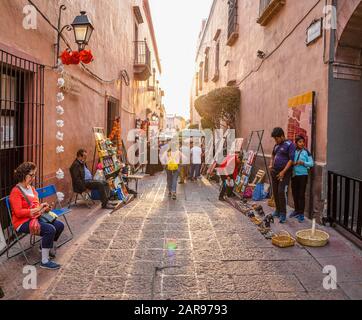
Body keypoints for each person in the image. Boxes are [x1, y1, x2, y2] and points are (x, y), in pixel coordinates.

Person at [9, 162, 64, 270]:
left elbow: (36, 205)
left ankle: (44, 246)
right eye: (31, 175)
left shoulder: (32, 189)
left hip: (35, 217)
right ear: (23, 174)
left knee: (59, 225)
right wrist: (37, 209)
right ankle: (44, 261)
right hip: (21, 222)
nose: (33, 178)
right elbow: (18, 212)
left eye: (34, 175)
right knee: (50, 230)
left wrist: (44, 208)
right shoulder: (15, 191)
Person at [269, 128, 296, 224]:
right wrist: (271, 164)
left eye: (277, 138)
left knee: (281, 192)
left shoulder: (290, 145)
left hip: (284, 173)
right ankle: (277, 210)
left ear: (282, 136)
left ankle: (283, 214)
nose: (275, 141)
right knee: (275, 192)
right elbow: (272, 155)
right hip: (275, 172)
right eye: (275, 139)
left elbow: (291, 160)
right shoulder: (277, 145)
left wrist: (283, 172)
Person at [290, 135, 314, 223]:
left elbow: (311, 163)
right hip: (294, 175)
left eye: (303, 142)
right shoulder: (294, 151)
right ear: (296, 143)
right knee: (294, 193)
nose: (302, 143)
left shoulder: (306, 152)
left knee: (301, 195)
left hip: (303, 176)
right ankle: (296, 210)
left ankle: (301, 214)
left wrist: (303, 162)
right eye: (300, 142)